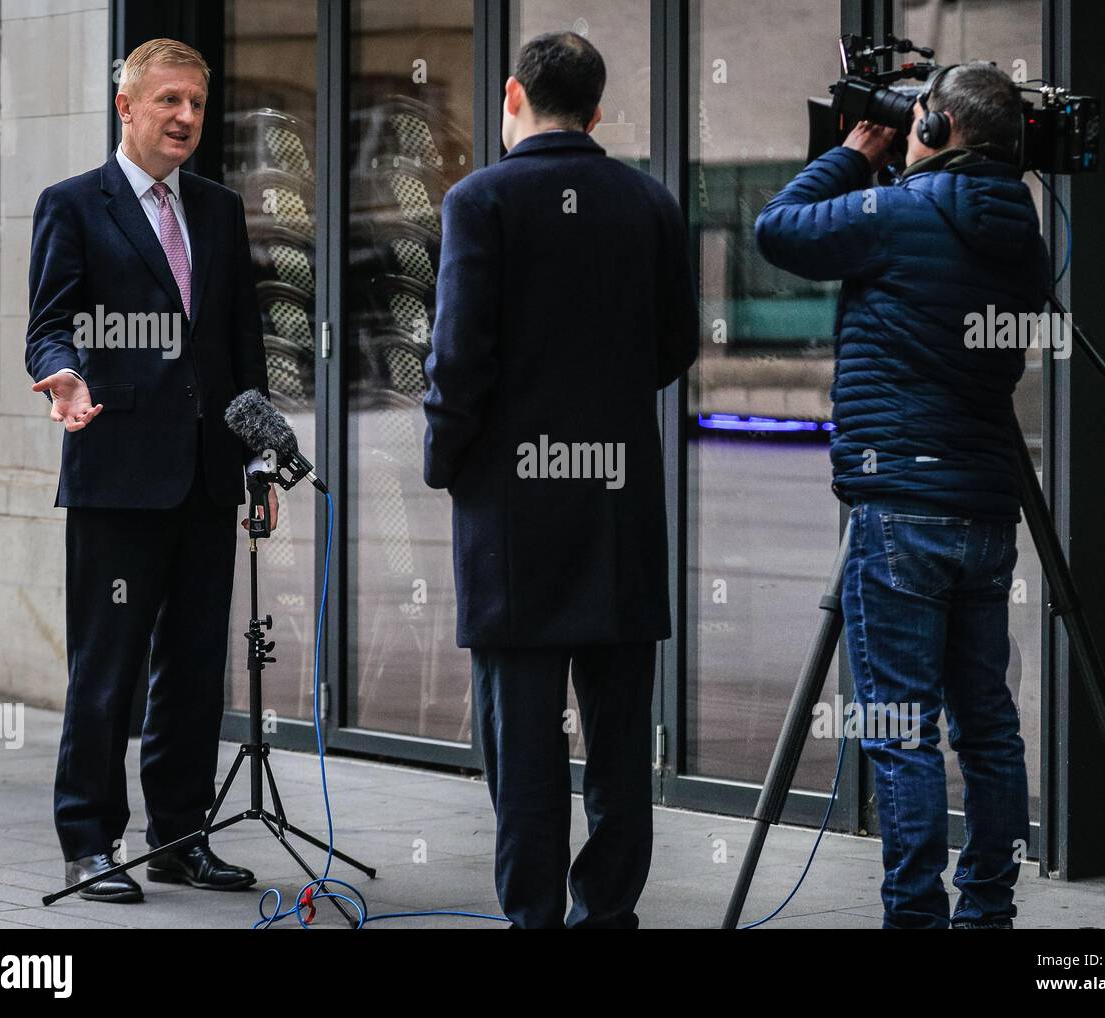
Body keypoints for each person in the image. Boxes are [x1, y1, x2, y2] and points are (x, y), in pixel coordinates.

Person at [755, 63, 1049, 929]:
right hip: (986, 510)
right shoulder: (1023, 231)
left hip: (899, 507)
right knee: (987, 725)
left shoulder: (898, 212)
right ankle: (987, 911)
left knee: (899, 728)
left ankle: (913, 917)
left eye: (920, 115)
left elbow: (779, 231)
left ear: (937, 127)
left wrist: (853, 152)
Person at [422, 31, 699, 928]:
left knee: (523, 735)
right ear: (599, 108)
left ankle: (533, 914)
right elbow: (676, 344)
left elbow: (459, 358)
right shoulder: (648, 201)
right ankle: (606, 909)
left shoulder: (480, 200)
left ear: (512, 95)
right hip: (619, 506)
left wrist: (446, 460)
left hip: (514, 511)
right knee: (620, 735)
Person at [25, 38, 275, 902]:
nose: (185, 118)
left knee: (195, 668)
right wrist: (62, 375)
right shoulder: (72, 206)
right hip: (118, 474)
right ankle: (89, 842)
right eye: (167, 101)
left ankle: (180, 837)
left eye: (197, 105)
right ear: (125, 109)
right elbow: (47, 326)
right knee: (108, 668)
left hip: (207, 478)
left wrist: (258, 464)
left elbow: (244, 349)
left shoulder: (219, 209)